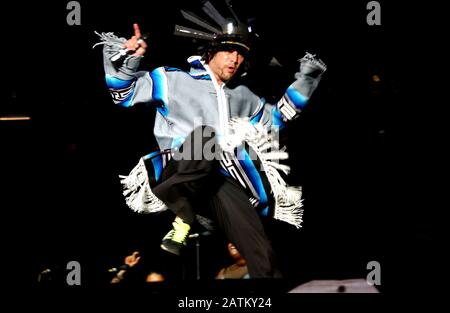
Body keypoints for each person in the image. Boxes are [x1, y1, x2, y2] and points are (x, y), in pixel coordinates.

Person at [95, 3, 326, 278]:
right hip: (179, 171)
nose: (235, 59)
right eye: (229, 50)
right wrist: (129, 59)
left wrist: (307, 78)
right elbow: (123, 94)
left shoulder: (243, 95)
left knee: (262, 254)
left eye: (241, 54)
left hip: (218, 184)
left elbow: (276, 120)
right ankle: (182, 218)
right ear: (210, 50)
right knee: (205, 137)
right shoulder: (173, 81)